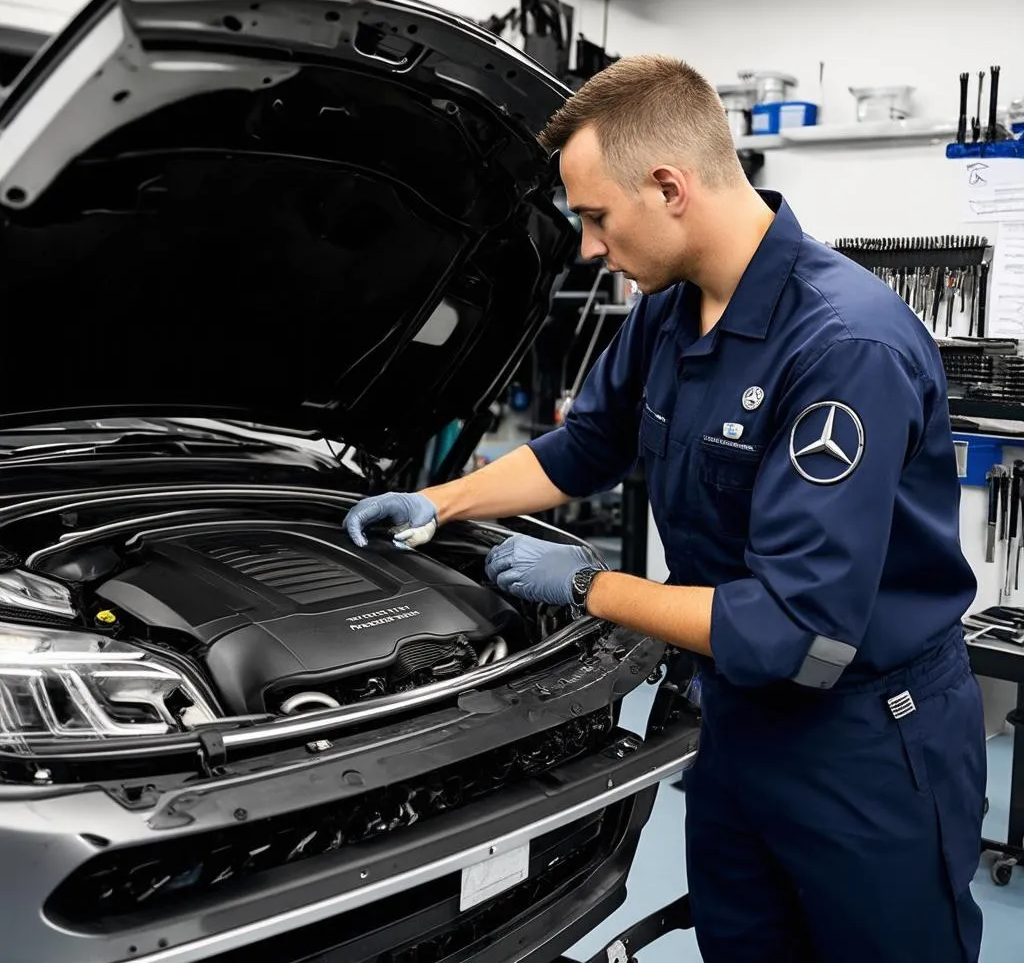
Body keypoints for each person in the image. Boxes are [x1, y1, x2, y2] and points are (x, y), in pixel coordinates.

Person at [344, 54, 986, 963]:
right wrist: (438, 501)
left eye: (596, 217)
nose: (590, 249)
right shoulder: (669, 311)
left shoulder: (847, 349)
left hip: (866, 743)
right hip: (731, 718)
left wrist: (590, 584)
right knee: (740, 944)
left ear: (670, 186)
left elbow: (794, 626)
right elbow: (584, 448)